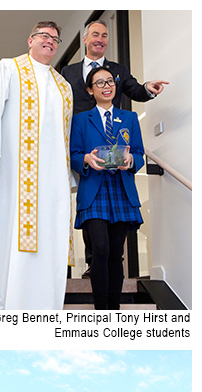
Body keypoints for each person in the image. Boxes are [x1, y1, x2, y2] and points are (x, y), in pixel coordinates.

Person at [0, 21, 74, 310]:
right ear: (30, 40)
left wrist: (65, 179)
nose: (50, 41)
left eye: (55, 38)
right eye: (44, 36)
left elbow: (62, 137)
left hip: (51, 179)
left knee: (48, 234)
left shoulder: (63, 86)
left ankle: (41, 304)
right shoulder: (8, 68)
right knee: (5, 229)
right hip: (12, 172)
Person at [62, 19, 168, 277]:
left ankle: (99, 264)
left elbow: (133, 89)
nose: (100, 39)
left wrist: (147, 90)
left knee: (105, 211)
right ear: (85, 39)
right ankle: (91, 261)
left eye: (105, 35)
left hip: (115, 152)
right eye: (95, 34)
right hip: (81, 142)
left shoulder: (118, 70)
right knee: (87, 201)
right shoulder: (68, 72)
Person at [70, 67, 145, 309]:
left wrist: (132, 160)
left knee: (116, 254)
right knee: (100, 249)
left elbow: (139, 153)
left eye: (110, 81)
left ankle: (114, 309)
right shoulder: (81, 120)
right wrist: (85, 159)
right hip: (94, 190)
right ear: (91, 90)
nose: (106, 86)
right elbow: (73, 154)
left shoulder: (130, 118)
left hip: (122, 189)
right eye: (99, 83)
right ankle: (100, 308)